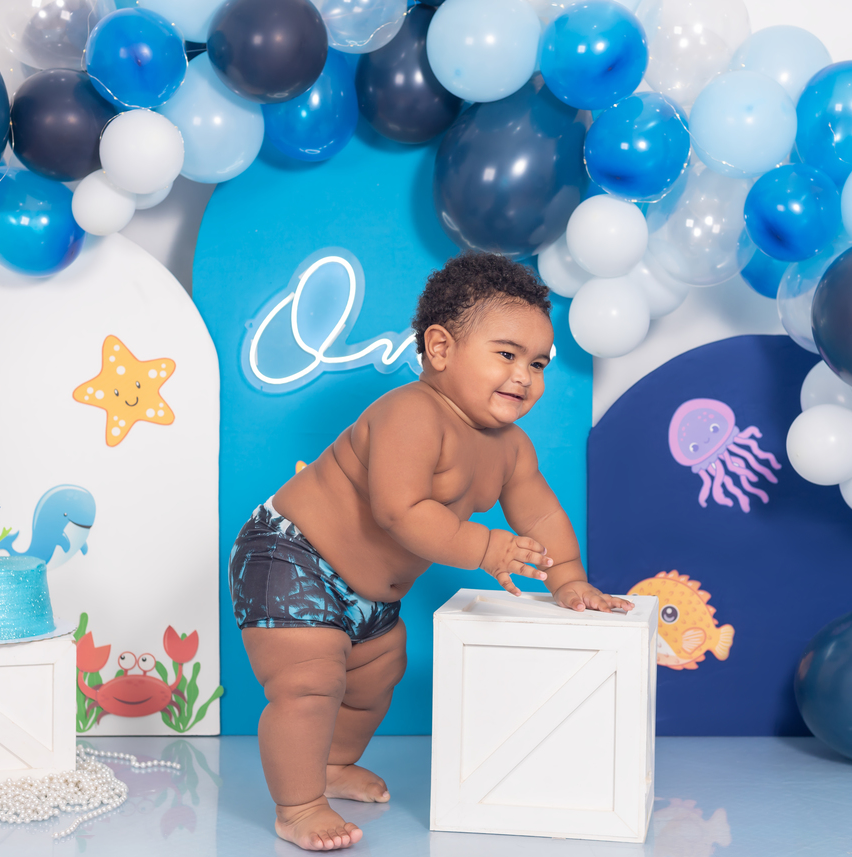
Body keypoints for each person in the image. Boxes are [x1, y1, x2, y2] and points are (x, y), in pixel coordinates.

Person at [229, 253, 626, 851]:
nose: (524, 376)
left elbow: (541, 514)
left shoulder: (511, 447)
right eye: (507, 354)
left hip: (370, 595)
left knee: (377, 675)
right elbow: (400, 511)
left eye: (538, 363)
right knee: (309, 684)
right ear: (440, 348)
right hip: (293, 557)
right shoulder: (410, 413)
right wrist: (485, 546)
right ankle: (299, 805)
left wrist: (568, 579)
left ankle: (331, 765)